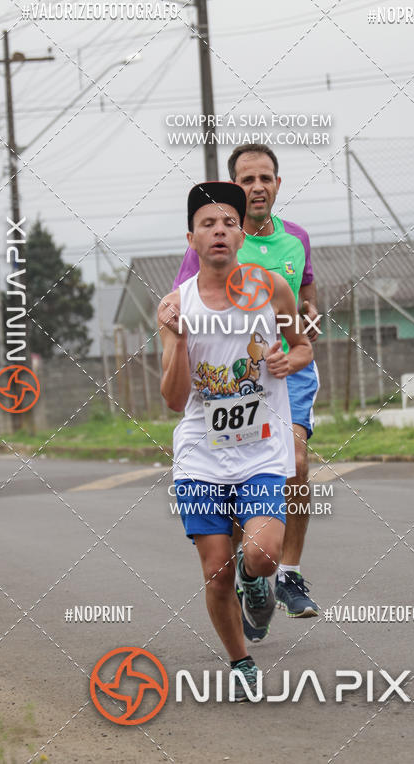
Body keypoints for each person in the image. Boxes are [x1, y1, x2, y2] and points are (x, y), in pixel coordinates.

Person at [159, 181, 313, 700]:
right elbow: (174, 400)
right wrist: (179, 341)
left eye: (229, 222)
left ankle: (258, 584)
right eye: (208, 224)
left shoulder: (271, 288)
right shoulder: (175, 306)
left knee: (263, 555)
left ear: (241, 235)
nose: (220, 231)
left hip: (261, 448)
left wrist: (287, 360)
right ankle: (240, 660)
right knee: (214, 571)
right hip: (202, 455)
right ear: (191, 239)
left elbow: (303, 348)